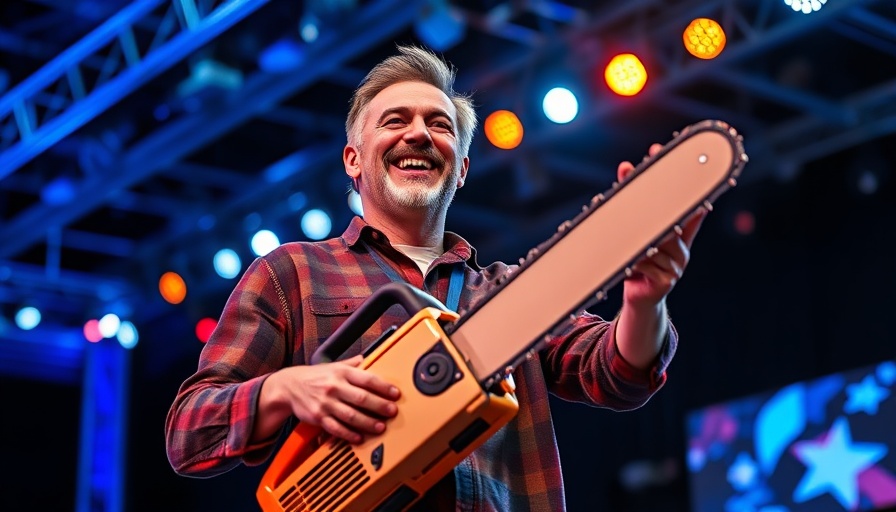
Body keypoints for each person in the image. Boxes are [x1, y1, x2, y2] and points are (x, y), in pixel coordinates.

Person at [165, 44, 706, 510]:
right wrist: (287, 388)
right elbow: (189, 433)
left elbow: (616, 373)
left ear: (463, 167)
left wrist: (644, 301)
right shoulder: (293, 274)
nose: (419, 134)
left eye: (439, 125)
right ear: (353, 160)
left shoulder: (509, 294)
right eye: (395, 121)